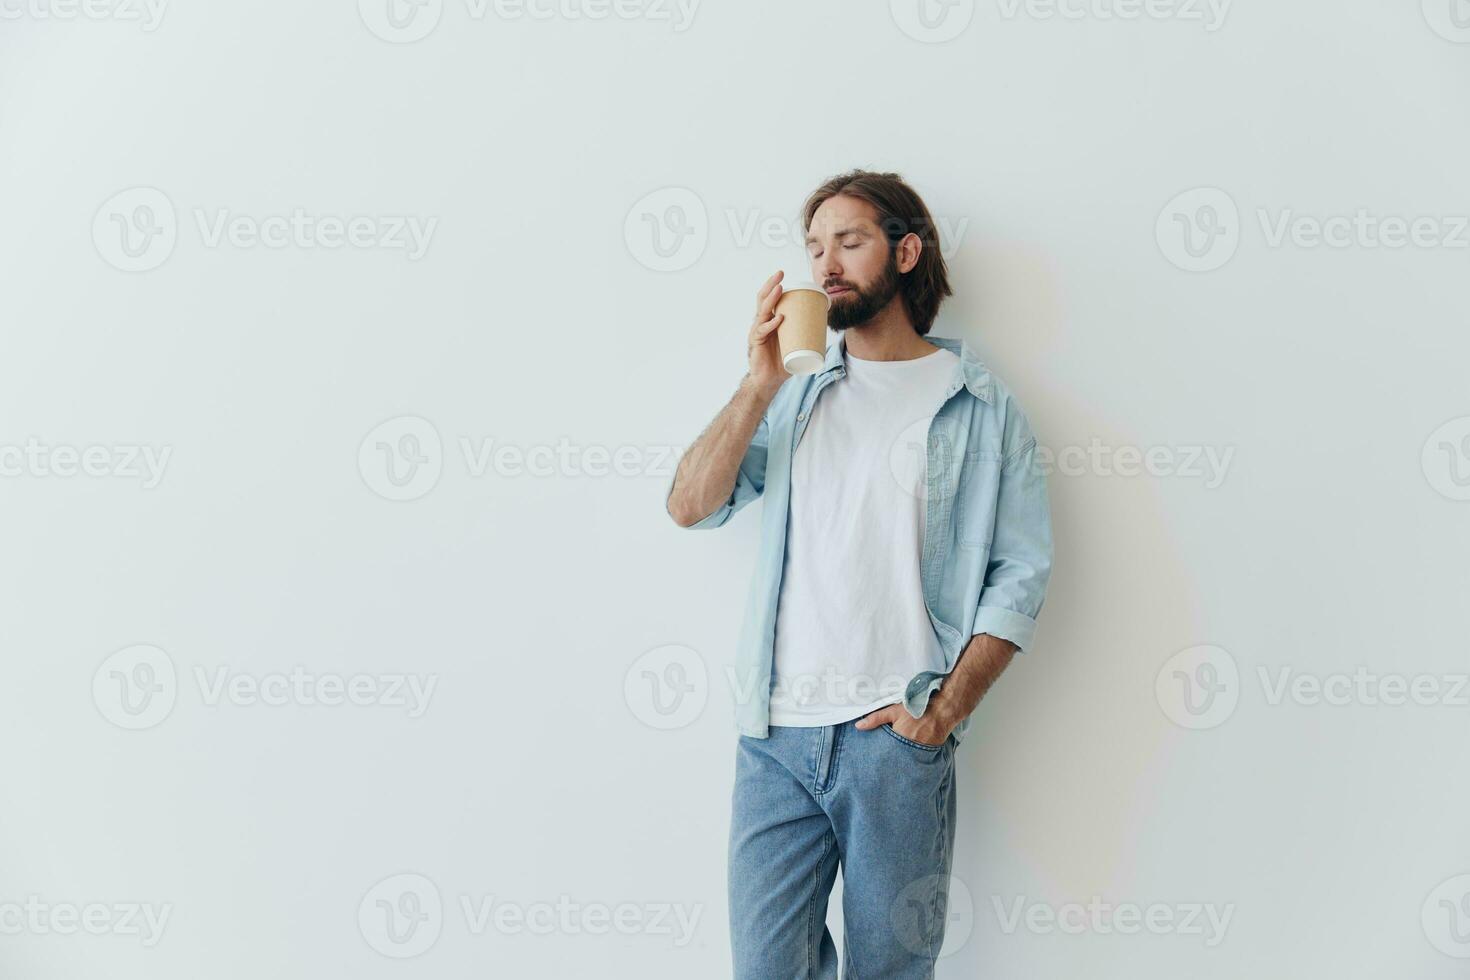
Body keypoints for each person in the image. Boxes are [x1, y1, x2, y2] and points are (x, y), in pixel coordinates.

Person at [665, 169, 1054, 978]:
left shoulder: (979, 403)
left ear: (907, 252)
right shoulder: (797, 399)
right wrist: (759, 381)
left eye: (849, 241)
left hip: (896, 738)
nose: (827, 264)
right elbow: (692, 506)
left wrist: (943, 710)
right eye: (815, 248)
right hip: (775, 737)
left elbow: (1020, 574)